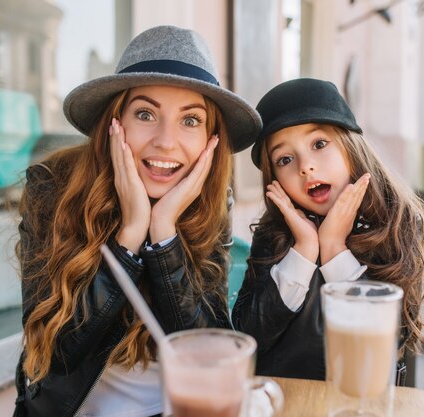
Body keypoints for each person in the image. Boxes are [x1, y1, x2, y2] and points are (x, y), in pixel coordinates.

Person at [13, 26, 261, 417]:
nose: (166, 141)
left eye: (190, 120)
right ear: (116, 122)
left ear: (211, 139)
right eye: (146, 114)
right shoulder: (52, 191)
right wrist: (129, 237)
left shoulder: (210, 204)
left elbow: (207, 349)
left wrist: (164, 236)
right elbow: (57, 353)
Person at [232, 78, 424, 382]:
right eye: (285, 159)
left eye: (319, 144)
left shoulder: (398, 221)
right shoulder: (273, 232)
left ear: (350, 146)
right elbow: (250, 334)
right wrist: (304, 249)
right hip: (286, 400)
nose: (305, 166)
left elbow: (391, 338)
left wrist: (333, 247)